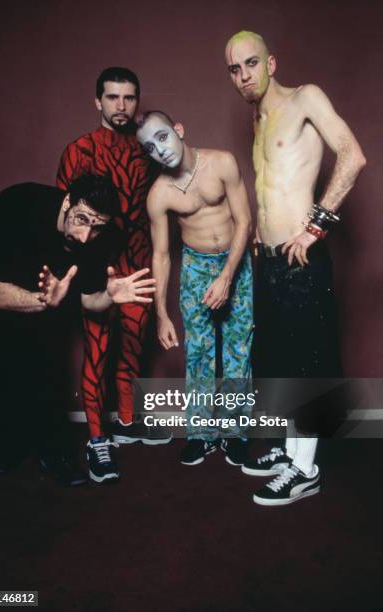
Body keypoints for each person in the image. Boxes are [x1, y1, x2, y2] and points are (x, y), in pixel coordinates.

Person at [225, 30, 366, 505]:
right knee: (282, 360)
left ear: (271, 62)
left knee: (308, 361)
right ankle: (291, 452)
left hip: (302, 256)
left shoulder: (306, 97)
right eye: (234, 68)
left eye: (251, 63)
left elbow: (353, 154)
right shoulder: (258, 119)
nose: (243, 75)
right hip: (270, 260)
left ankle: (306, 471)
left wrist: (317, 226)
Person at [0, 174, 155, 486]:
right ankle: (8, 445)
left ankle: (54, 453)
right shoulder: (20, 209)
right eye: (81, 219)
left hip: (44, 298)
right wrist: (46, 301)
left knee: (46, 368)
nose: (85, 235)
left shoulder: (98, 238)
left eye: (97, 227)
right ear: (68, 201)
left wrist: (110, 296)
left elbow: (88, 300)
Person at [57, 67, 168, 464]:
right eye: (112, 97)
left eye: (129, 98)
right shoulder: (80, 150)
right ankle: (96, 436)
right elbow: (65, 221)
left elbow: (174, 180)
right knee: (98, 351)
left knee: (133, 350)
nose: (121, 106)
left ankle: (125, 420)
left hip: (137, 264)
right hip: (97, 269)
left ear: (137, 101)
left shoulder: (147, 148)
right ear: (98, 101)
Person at [136, 111, 254, 466]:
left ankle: (234, 434)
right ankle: (202, 435)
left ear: (178, 130)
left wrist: (228, 275)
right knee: (199, 354)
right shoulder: (158, 195)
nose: (159, 149)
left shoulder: (222, 163)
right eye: (149, 147)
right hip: (196, 267)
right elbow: (160, 255)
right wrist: (160, 314)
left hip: (235, 263)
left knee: (238, 350)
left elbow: (245, 220)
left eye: (162, 137)